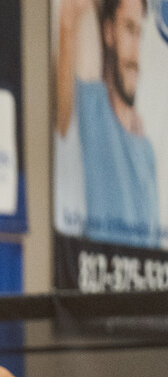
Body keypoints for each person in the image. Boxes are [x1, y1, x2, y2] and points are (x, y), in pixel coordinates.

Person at [56, 0, 158, 247]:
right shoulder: (95, 110)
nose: (135, 52)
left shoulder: (147, 152)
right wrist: (70, 24)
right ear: (109, 32)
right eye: (128, 29)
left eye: (138, 33)